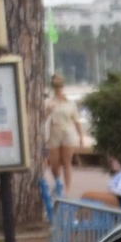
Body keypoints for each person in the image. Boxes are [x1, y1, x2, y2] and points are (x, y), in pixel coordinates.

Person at [39, 73, 85, 212]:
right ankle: (57, 182)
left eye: (60, 86)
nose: (58, 88)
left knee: (67, 162)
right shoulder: (49, 102)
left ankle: (66, 189)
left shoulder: (69, 103)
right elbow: (42, 117)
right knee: (54, 163)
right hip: (54, 132)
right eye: (56, 86)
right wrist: (47, 110)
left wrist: (81, 136)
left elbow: (76, 120)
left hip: (67, 132)